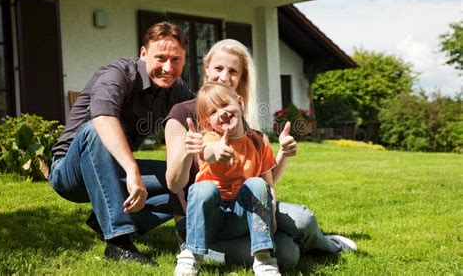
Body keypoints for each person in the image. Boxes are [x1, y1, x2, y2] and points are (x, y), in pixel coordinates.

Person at [164, 39, 357, 271]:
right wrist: (204, 151)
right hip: (202, 220)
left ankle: (320, 245)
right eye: (218, 68)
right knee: (287, 254)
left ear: (240, 92)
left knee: (300, 226)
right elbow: (198, 159)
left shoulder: (246, 129)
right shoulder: (190, 118)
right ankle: (199, 251)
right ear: (206, 67)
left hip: (243, 209)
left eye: (233, 71)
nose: (225, 77)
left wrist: (283, 156)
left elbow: (264, 180)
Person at [49, 21, 195, 265]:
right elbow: (103, 118)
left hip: (114, 172)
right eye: (160, 58)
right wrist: (132, 170)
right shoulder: (118, 73)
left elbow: (205, 110)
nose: (168, 68)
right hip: (70, 173)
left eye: (176, 60)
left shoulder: (175, 89)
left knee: (184, 176)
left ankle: (105, 219)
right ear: (143, 53)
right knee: (93, 131)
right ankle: (119, 242)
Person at [175, 82, 282, 276]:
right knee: (202, 188)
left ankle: (263, 258)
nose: (222, 113)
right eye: (214, 112)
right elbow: (208, 152)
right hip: (211, 218)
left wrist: (271, 211)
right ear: (208, 123)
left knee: (258, 183)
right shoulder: (209, 138)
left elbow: (269, 186)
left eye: (225, 104)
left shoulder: (259, 140)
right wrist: (216, 151)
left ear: (240, 103)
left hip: (240, 216)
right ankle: (191, 254)